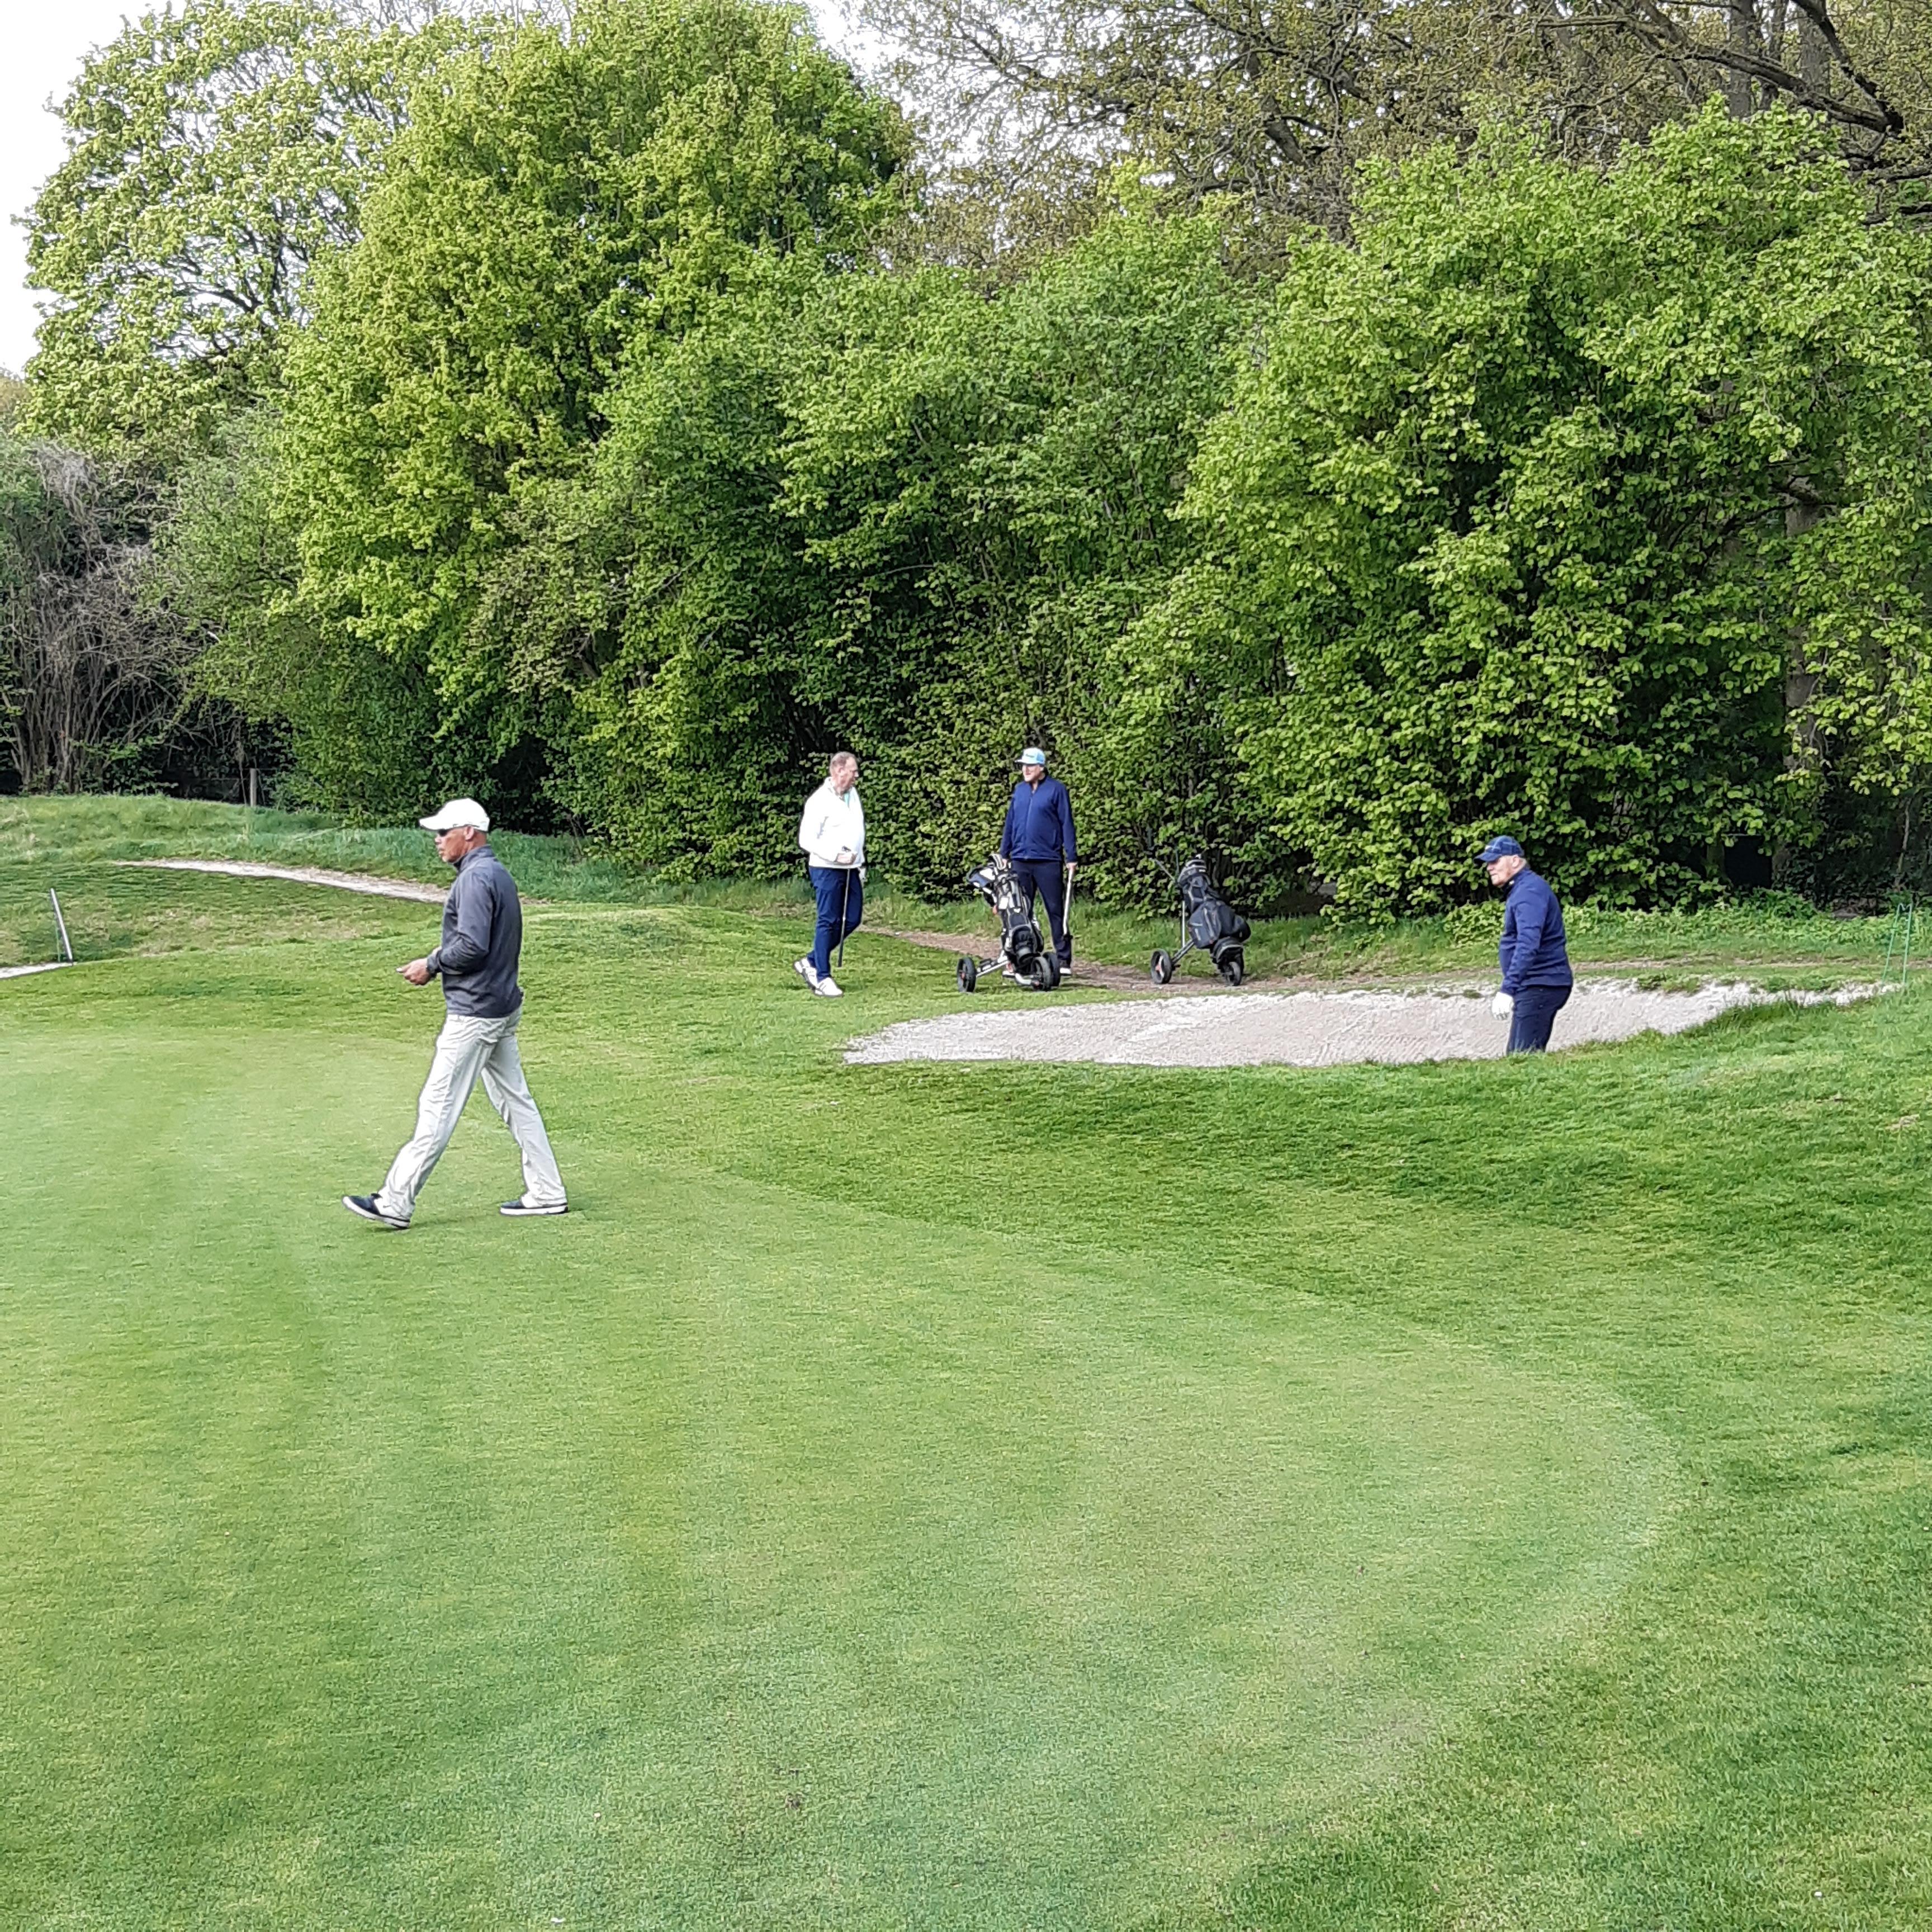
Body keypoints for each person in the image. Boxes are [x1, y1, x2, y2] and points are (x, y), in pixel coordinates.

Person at [343, 798, 567, 1229]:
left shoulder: (476, 879)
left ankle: (395, 1202)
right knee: (516, 1103)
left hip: (476, 1013)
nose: (438, 840)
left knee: (438, 1105)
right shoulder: (496, 874)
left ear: (469, 833)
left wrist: (431, 964)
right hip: (500, 1007)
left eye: (444, 832)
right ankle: (547, 1191)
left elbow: (473, 946)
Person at [1480, 835, 1573, 1054]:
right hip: (1535, 985)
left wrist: (1508, 989)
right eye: (1488, 862)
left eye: (1495, 861)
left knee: (1522, 1058)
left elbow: (1528, 944)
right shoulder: (1523, 889)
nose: (1489, 867)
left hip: (1541, 984)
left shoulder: (1528, 892)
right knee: (1519, 1058)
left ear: (1515, 861)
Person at [998, 746, 1077, 970]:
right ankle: (1021, 957)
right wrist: (1004, 852)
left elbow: (1066, 823)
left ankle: (1063, 958)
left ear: (1041, 768)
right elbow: (1011, 822)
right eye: (1023, 765)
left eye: (1030, 766)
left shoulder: (1056, 790)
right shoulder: (1019, 791)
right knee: (1020, 911)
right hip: (1020, 859)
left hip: (1048, 860)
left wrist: (1071, 856)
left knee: (1055, 910)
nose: (1026, 770)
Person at [795, 750, 865, 998]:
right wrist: (835, 855)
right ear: (839, 770)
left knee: (853, 918)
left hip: (851, 869)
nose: (857, 776)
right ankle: (822, 978)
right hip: (826, 869)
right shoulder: (819, 801)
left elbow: (856, 832)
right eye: (853, 771)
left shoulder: (852, 795)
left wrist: (860, 863)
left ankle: (811, 961)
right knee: (829, 920)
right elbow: (806, 840)